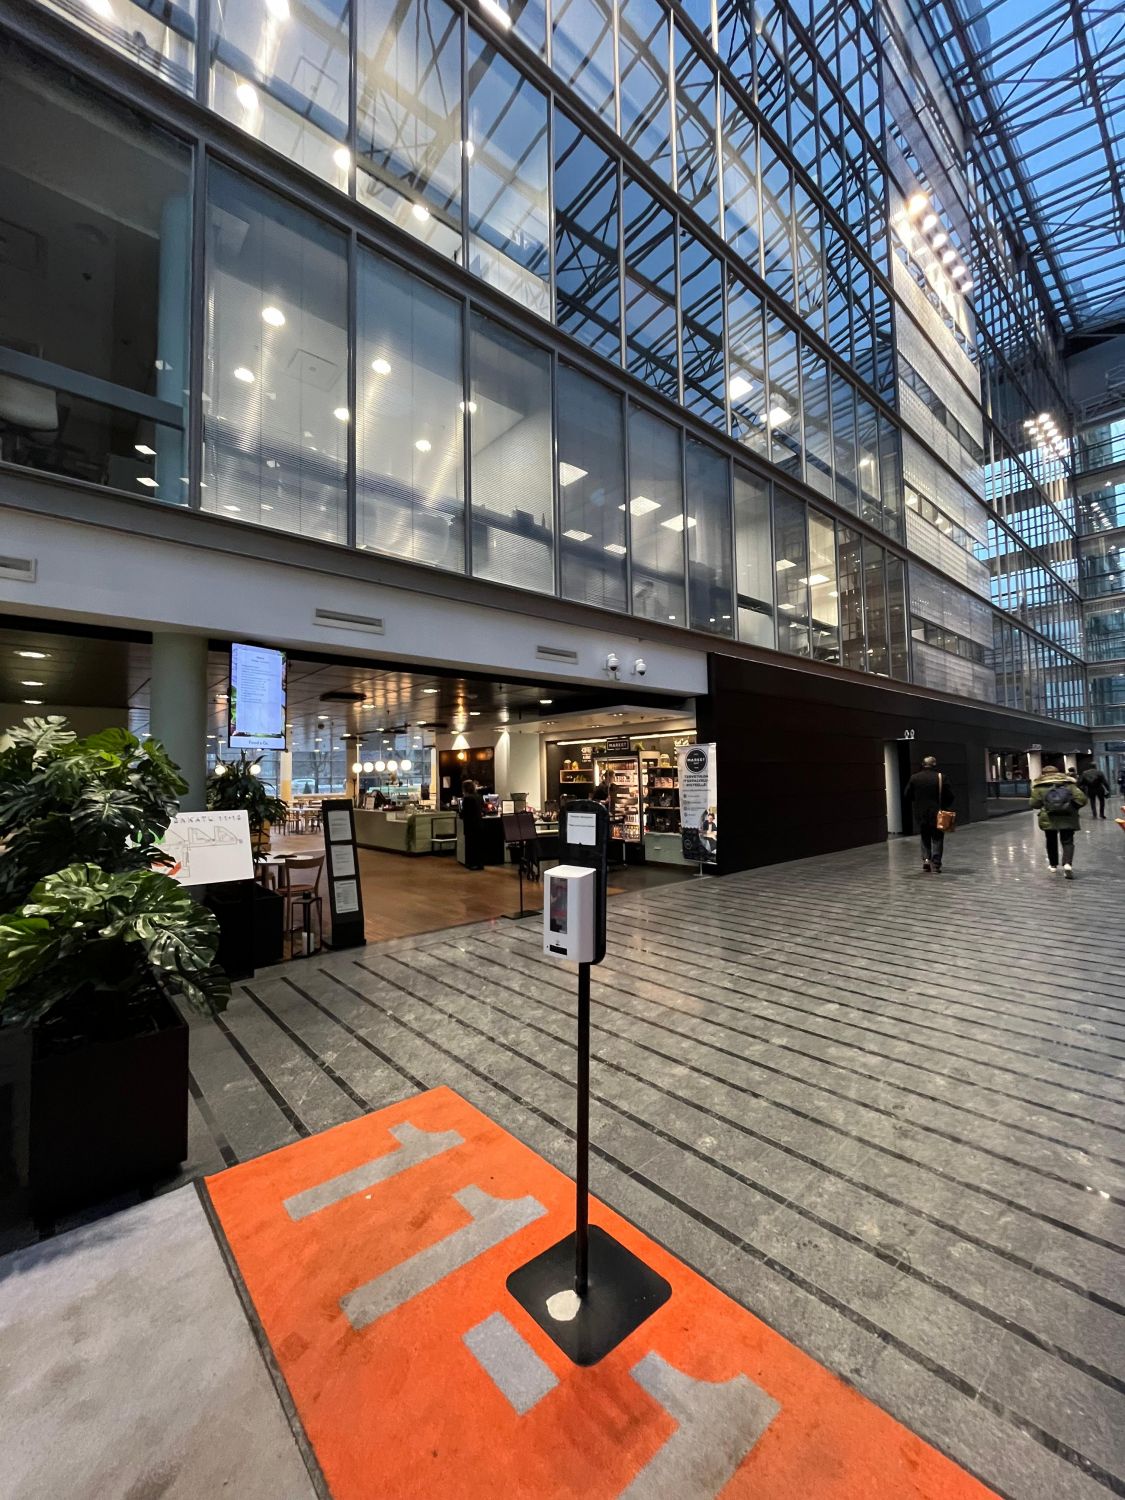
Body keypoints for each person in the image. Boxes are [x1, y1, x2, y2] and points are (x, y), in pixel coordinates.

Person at [1029, 758, 1087, 878]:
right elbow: (1082, 799)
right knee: (1068, 841)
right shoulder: (1069, 784)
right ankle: (1067, 864)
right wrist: (1072, 807)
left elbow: (1034, 804)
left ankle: (1053, 865)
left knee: (1051, 841)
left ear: (1043, 774)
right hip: (1068, 816)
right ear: (1058, 772)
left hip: (1048, 817)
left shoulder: (1039, 786)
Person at [903, 755, 954, 873]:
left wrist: (917, 801)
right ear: (934, 765)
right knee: (937, 837)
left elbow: (907, 794)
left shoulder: (915, 778)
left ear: (923, 764)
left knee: (924, 836)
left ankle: (926, 859)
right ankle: (936, 864)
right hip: (937, 813)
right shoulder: (941, 777)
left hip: (920, 813)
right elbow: (950, 795)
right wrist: (944, 805)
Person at [459, 778, 485, 871]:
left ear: (465, 788)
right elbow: (482, 809)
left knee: (470, 846)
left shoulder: (467, 798)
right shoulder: (479, 797)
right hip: (479, 824)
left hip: (470, 826)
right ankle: (480, 864)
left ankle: (472, 864)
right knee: (479, 845)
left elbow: (463, 814)